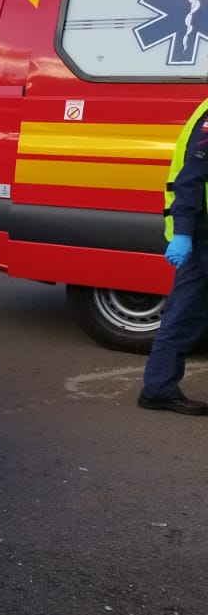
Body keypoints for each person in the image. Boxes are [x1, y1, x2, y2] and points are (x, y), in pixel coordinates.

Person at [138, 95, 208, 415]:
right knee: (185, 314)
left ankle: (159, 388)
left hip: (198, 232)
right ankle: (159, 388)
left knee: (185, 314)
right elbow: (191, 177)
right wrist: (182, 232)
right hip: (201, 231)